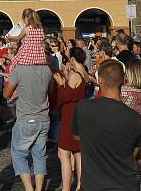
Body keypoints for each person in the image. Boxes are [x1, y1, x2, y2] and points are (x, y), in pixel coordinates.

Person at [72, 60, 141, 191]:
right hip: (124, 184)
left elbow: (77, 137)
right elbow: (135, 152)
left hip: (92, 184)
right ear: (124, 80)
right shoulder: (135, 118)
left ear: (99, 80)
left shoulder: (82, 108)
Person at [3, 48, 51, 191]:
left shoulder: (20, 70)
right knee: (40, 155)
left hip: (26, 118)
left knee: (18, 154)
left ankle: (29, 188)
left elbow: (6, 94)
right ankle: (39, 188)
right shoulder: (47, 70)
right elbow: (51, 90)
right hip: (43, 118)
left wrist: (9, 79)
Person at [54, 47, 88, 191]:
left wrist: (61, 84)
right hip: (79, 113)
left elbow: (64, 97)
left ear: (73, 59)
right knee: (78, 152)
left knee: (63, 153)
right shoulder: (84, 72)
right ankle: (80, 185)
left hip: (70, 115)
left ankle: (66, 187)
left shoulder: (76, 74)